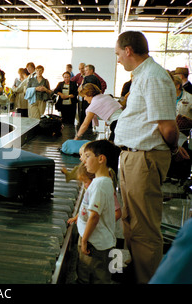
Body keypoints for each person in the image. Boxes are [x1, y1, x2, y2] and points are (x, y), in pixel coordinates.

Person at [114, 30, 189, 284]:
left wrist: (172, 148)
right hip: (133, 157)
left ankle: (149, 279)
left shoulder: (154, 77)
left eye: (117, 55)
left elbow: (168, 128)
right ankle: (137, 274)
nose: (118, 60)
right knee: (130, 221)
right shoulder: (143, 75)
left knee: (144, 228)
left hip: (144, 159)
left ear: (128, 50)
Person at [67, 140, 117, 284]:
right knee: (86, 272)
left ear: (101, 159)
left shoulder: (100, 185)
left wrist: (84, 240)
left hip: (94, 243)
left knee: (94, 276)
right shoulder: (101, 181)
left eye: (87, 156)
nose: (84, 160)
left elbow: (94, 216)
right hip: (93, 240)